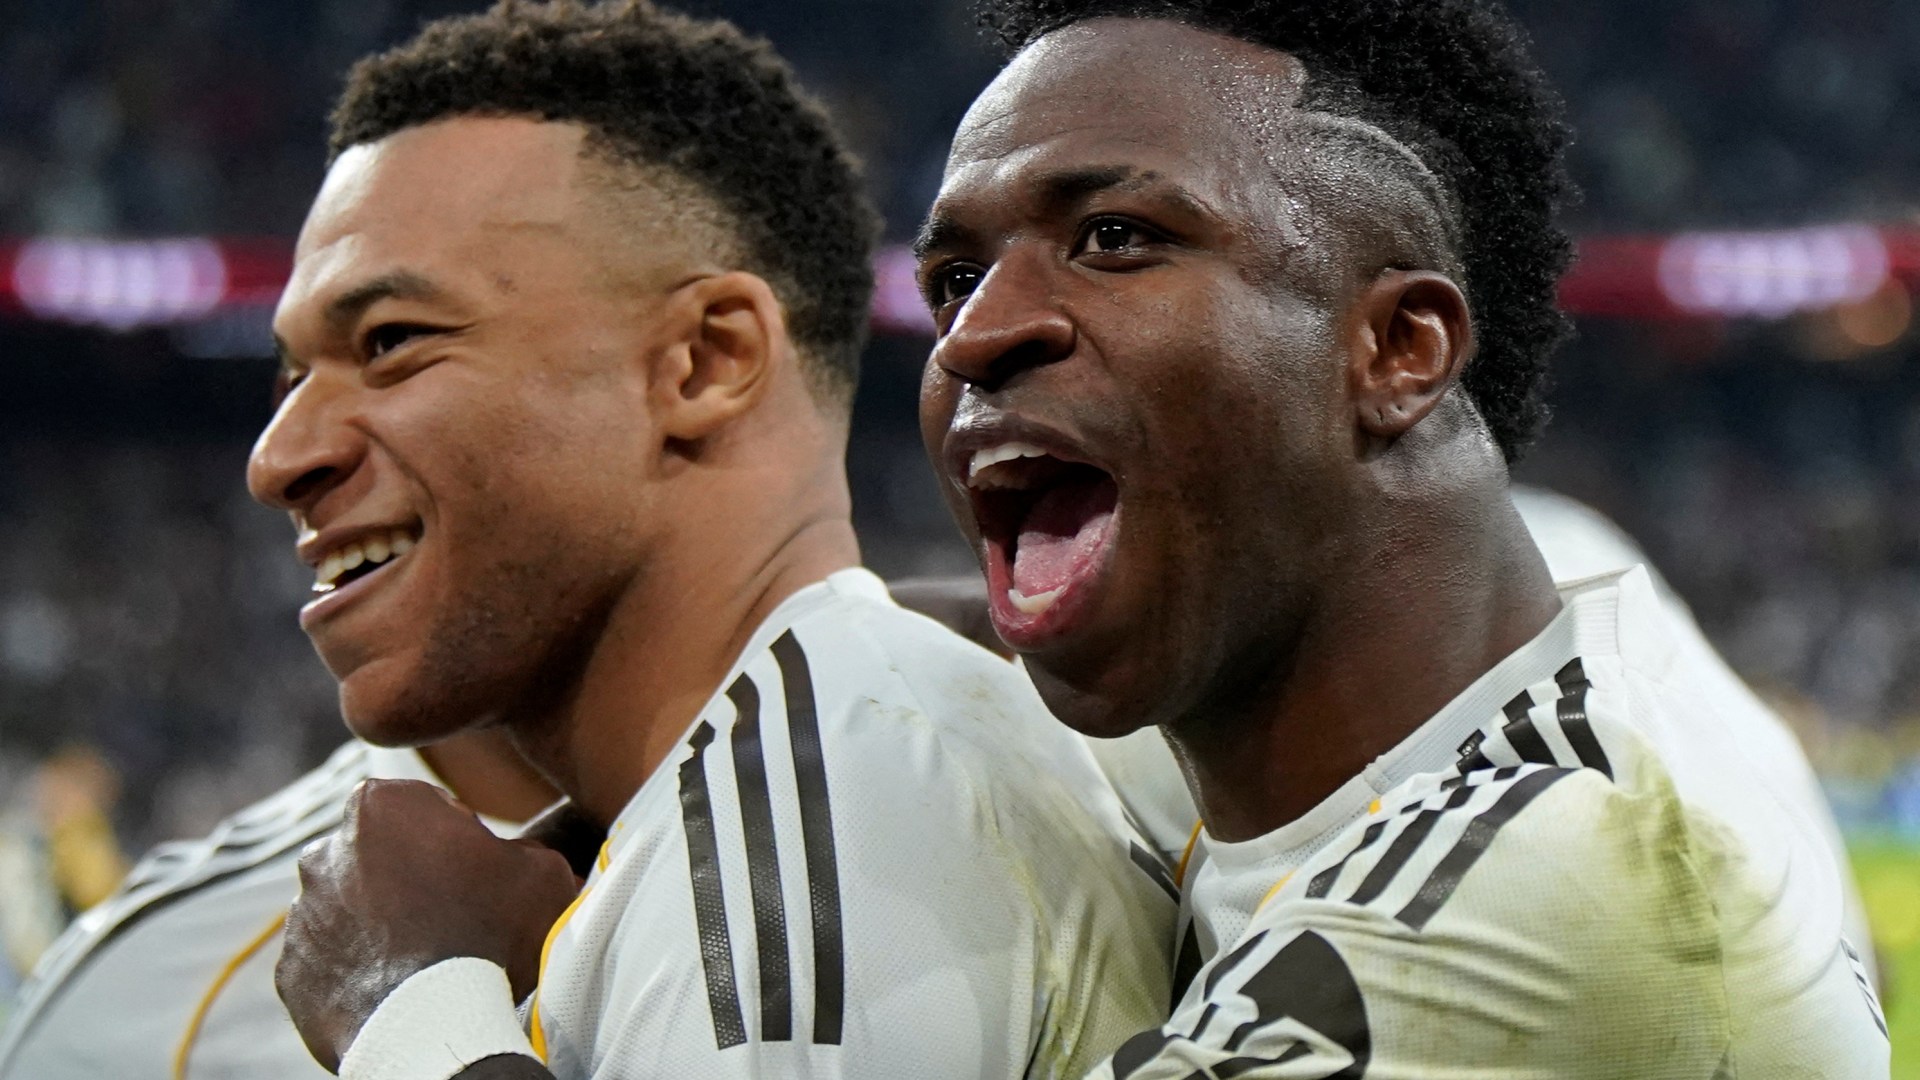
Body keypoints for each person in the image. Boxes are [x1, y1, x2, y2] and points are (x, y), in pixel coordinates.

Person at [913, 0, 1890, 1074]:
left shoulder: (1555, 882)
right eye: (954, 281)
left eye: (1114, 239)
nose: (973, 335)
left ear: (1398, 348)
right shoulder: (1410, 730)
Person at [247, 3, 1174, 1079]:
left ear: (705, 362)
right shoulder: (783, 775)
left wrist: (408, 1018)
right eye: (293, 376)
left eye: (391, 342)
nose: (279, 458)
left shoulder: (818, 822)